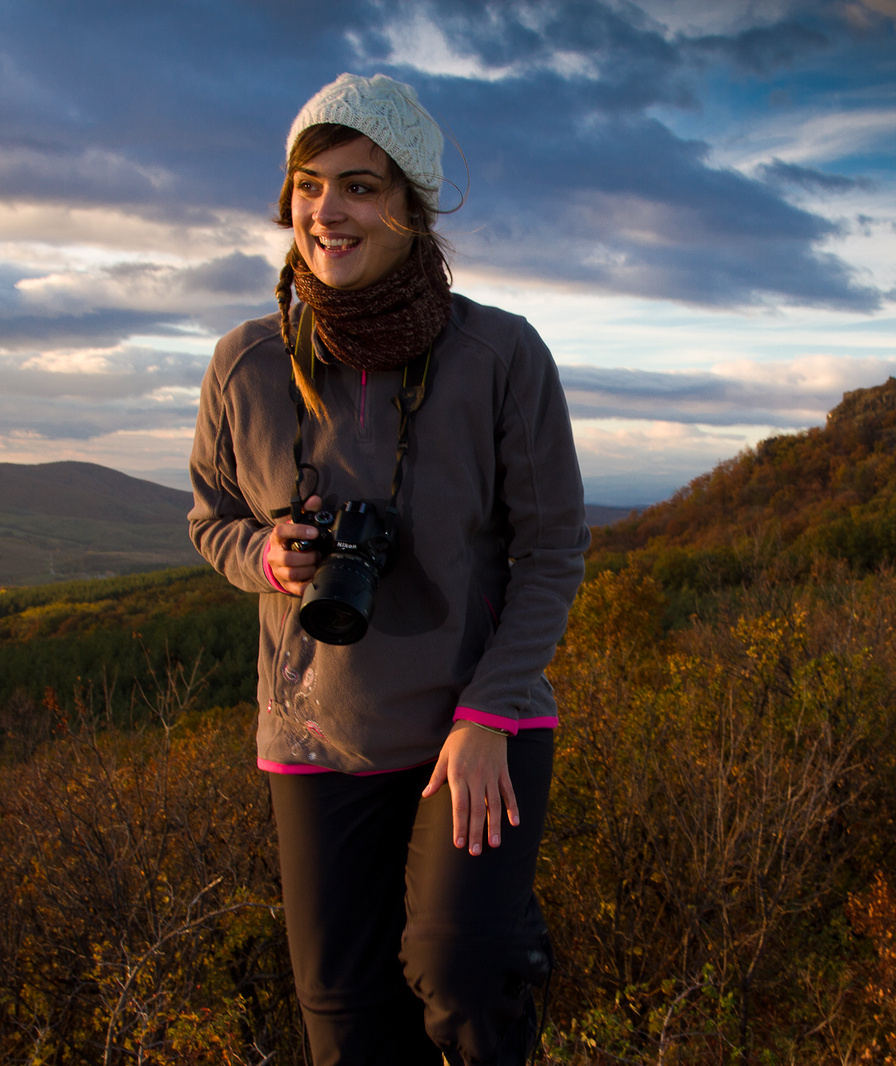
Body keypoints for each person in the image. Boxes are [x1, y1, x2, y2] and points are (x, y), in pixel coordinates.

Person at [188, 72, 588, 1066]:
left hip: (472, 722)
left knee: (464, 971)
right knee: (346, 1024)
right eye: (311, 184)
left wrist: (490, 711)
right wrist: (268, 557)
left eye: (361, 187)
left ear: (411, 207)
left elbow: (551, 547)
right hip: (316, 732)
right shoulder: (244, 363)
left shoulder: (499, 354)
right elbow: (211, 518)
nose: (330, 210)